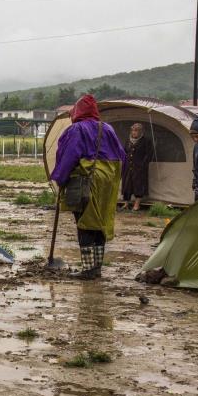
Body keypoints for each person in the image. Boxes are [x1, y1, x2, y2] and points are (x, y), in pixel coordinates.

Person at [51, 95, 125, 280]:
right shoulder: (108, 128)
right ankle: (96, 267)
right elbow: (122, 156)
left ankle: (87, 269)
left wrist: (60, 178)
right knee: (100, 223)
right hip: (108, 183)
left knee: (84, 222)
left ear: (77, 111)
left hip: (86, 180)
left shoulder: (76, 129)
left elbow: (68, 156)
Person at [121, 123, 153, 211]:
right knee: (127, 184)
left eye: (136, 131)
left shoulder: (146, 141)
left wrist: (143, 164)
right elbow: (124, 152)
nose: (134, 132)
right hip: (128, 166)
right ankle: (126, 203)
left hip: (139, 167)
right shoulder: (128, 140)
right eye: (132, 130)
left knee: (138, 185)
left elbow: (149, 154)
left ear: (140, 132)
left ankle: (136, 205)